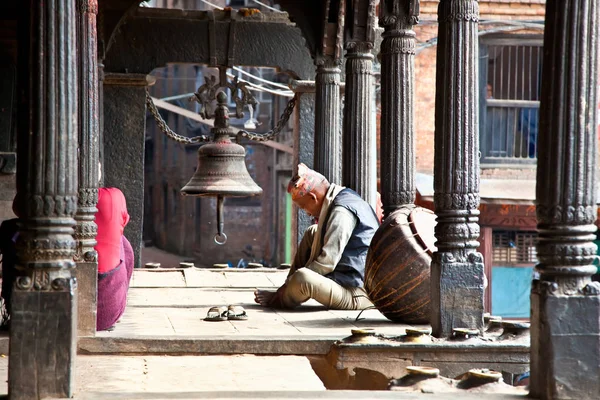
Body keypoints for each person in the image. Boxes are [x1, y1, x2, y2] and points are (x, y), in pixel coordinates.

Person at [254, 163, 379, 310]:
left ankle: (282, 298)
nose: (307, 213)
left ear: (313, 197)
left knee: (303, 278)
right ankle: (286, 289)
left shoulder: (342, 212)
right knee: (312, 232)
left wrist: (299, 277)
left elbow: (327, 263)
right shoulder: (343, 196)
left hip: (357, 293)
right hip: (345, 280)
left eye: (304, 207)